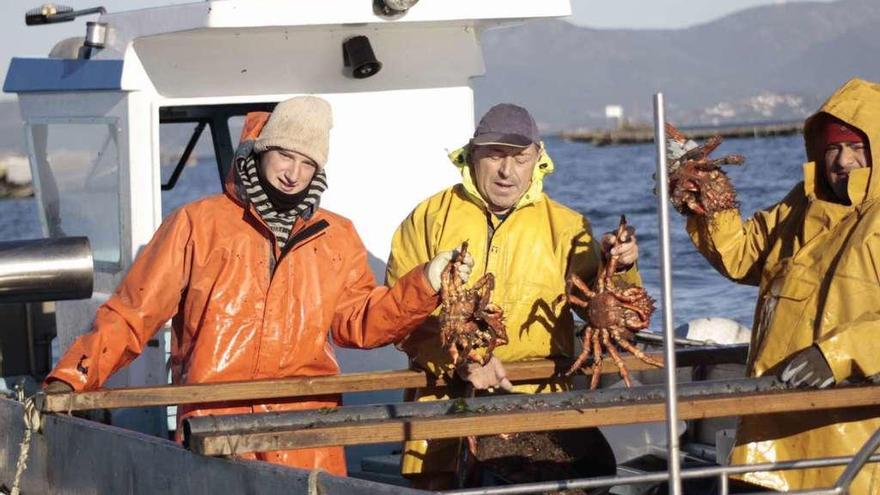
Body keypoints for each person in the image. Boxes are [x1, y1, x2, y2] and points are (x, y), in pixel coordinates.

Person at [42, 96, 466, 476]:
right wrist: (71, 377)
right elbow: (133, 313)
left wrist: (426, 282)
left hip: (309, 433)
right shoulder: (196, 224)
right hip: (215, 426)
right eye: (285, 155)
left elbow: (361, 324)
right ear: (262, 150)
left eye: (308, 163)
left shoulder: (339, 235)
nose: (293, 173)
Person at [386, 103, 642, 489]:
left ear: (538, 159)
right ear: (472, 155)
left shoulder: (568, 227)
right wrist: (461, 362)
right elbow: (399, 315)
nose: (507, 172)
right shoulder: (428, 218)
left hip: (539, 411)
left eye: (520, 158)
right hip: (443, 413)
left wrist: (620, 267)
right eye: (495, 156)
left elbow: (618, 316)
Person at [678, 78, 880, 493]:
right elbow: (741, 255)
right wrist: (707, 202)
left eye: (856, 147)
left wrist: (838, 355)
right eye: (832, 148)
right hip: (766, 435)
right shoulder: (799, 205)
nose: (842, 160)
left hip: (850, 445)